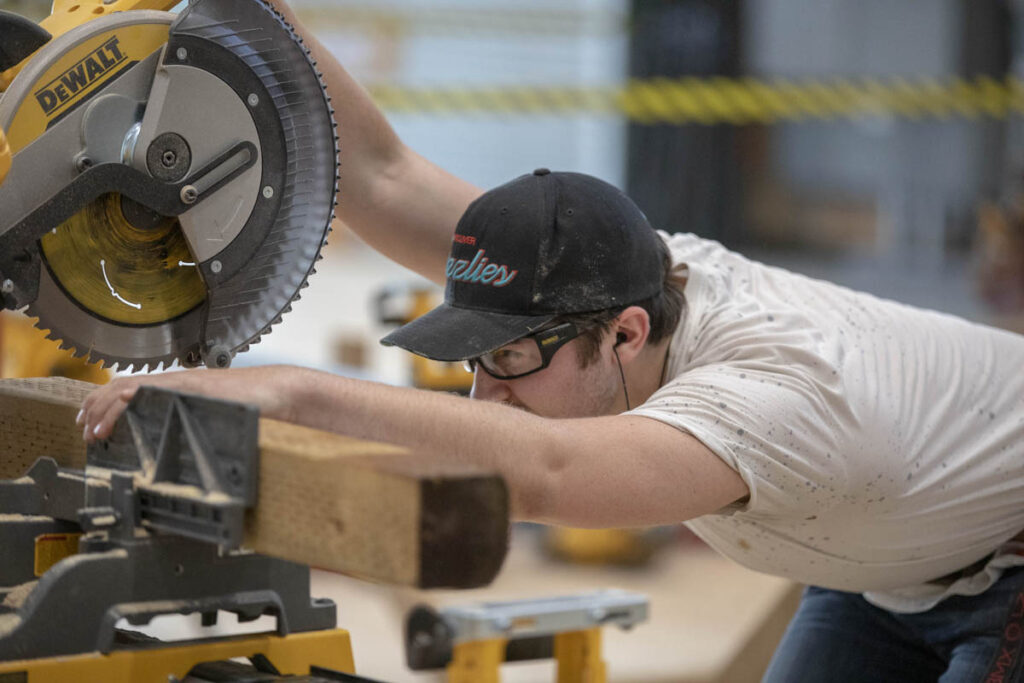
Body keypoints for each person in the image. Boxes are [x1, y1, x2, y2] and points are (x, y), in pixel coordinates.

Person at [78, 3, 1024, 681]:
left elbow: (550, 472)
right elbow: (378, 171)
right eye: (475, 359)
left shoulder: (773, 399)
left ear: (627, 331)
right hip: (883, 566)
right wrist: (226, 14)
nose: (488, 396)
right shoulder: (625, 262)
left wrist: (288, 390)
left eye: (517, 359)